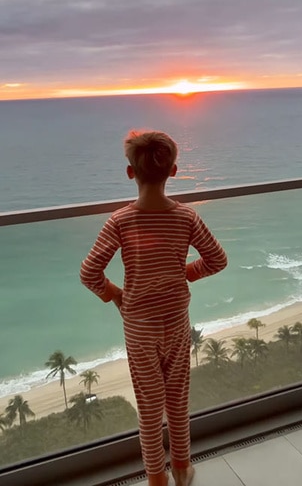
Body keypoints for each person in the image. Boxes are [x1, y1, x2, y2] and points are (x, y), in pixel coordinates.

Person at [80, 130, 228, 486]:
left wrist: (116, 295)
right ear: (174, 171)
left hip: (139, 325)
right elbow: (217, 260)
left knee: (149, 408)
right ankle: (181, 469)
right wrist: (185, 274)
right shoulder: (187, 218)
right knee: (178, 399)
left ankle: (156, 479)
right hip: (176, 320)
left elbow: (89, 272)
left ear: (130, 172)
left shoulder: (120, 221)